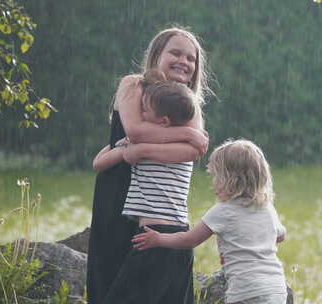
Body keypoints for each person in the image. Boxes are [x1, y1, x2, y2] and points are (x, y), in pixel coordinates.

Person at [87, 27, 211, 304]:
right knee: (110, 273)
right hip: (117, 192)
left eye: (191, 58)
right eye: (175, 53)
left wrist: (185, 139)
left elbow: (194, 151)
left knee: (153, 287)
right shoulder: (134, 85)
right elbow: (136, 130)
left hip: (159, 205)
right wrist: (186, 132)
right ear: (157, 55)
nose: (184, 61)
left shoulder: (188, 104)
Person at [132, 139, 288, 304]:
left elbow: (189, 240)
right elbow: (280, 236)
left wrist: (158, 238)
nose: (213, 183)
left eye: (216, 177)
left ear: (231, 179)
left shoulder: (223, 211)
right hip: (276, 288)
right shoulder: (267, 208)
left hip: (245, 290)